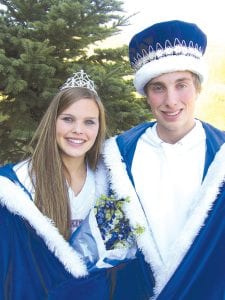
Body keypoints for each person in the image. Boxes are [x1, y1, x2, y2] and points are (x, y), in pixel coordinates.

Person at [102, 20, 225, 299]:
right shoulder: (118, 156)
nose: (171, 100)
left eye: (181, 85)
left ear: (197, 88)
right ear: (146, 94)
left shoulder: (221, 156)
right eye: (158, 87)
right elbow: (108, 238)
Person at [0, 70, 137, 299]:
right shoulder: (16, 187)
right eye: (68, 119)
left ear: (98, 128)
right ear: (52, 122)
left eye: (89, 122)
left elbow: (117, 265)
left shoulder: (110, 185)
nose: (78, 130)